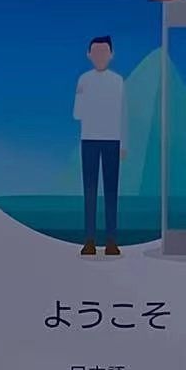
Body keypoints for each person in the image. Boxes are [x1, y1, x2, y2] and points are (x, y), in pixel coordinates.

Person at [73, 35, 127, 256]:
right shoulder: (84, 80)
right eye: (96, 52)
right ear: (89, 54)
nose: (100, 56)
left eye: (104, 52)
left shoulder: (118, 81)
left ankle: (111, 240)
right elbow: (77, 113)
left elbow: (124, 114)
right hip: (89, 139)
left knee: (111, 191)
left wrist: (124, 143)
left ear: (112, 55)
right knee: (90, 191)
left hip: (112, 139)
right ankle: (90, 240)